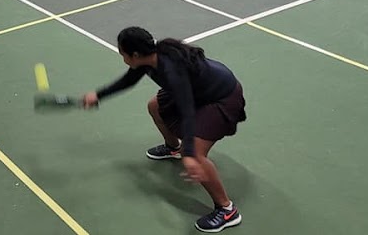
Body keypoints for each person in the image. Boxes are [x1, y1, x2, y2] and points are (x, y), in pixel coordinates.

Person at [82, 27, 246, 233]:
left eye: (122, 53)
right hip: (199, 92)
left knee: (196, 154)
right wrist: (99, 95)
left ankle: (227, 209)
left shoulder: (171, 70)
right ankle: (172, 148)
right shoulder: (149, 59)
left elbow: (187, 111)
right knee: (155, 106)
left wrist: (189, 155)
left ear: (134, 54)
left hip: (221, 96)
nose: (122, 57)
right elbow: (129, 80)